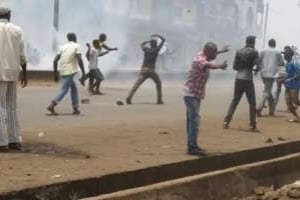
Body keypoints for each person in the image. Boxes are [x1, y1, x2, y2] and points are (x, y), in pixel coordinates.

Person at [184, 42, 228, 156]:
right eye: (214, 52)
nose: (215, 56)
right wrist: (221, 66)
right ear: (207, 51)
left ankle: (192, 144)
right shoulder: (199, 60)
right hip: (191, 94)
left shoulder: (203, 54)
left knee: (191, 120)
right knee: (194, 120)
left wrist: (221, 51)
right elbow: (209, 65)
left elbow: (210, 57)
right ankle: (192, 147)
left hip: (194, 94)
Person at [0, 7, 27, 151]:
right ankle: (14, 140)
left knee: (0, 106)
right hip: (13, 71)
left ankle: (2, 141)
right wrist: (25, 73)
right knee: (11, 106)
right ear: (8, 15)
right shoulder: (17, 30)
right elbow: (22, 54)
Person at [224, 36, 260, 131]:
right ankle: (252, 125)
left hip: (238, 78)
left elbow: (235, 67)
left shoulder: (239, 51)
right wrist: (255, 69)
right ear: (253, 42)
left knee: (235, 101)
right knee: (252, 103)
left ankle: (226, 121)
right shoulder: (254, 52)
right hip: (248, 79)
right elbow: (258, 64)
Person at [47, 32, 85, 115]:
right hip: (70, 71)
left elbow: (55, 60)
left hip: (63, 70)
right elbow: (80, 59)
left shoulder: (62, 47)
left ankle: (75, 108)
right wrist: (84, 72)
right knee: (64, 89)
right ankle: (52, 105)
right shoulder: (77, 46)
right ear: (75, 38)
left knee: (74, 88)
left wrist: (55, 74)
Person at [126, 34, 165, 104]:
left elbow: (141, 44)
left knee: (136, 85)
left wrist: (147, 41)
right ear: (156, 44)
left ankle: (129, 97)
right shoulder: (156, 50)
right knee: (158, 83)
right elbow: (163, 40)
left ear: (150, 44)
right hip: (151, 70)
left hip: (143, 70)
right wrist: (157, 35)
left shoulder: (146, 49)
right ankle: (159, 100)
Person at [257, 39, 284, 116]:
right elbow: (281, 63)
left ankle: (271, 110)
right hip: (272, 74)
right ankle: (259, 108)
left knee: (268, 90)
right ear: (275, 44)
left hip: (263, 73)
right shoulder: (278, 52)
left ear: (268, 44)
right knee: (267, 91)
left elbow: (258, 61)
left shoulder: (262, 50)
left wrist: (258, 69)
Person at [281, 46, 300, 122]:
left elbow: (299, 73)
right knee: (288, 103)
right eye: (284, 54)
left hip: (295, 85)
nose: (284, 55)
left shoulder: (294, 62)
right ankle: (296, 117)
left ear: (290, 55)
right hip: (288, 85)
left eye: (286, 54)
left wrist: (290, 79)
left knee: (295, 101)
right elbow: (288, 74)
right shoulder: (287, 63)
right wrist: (283, 79)